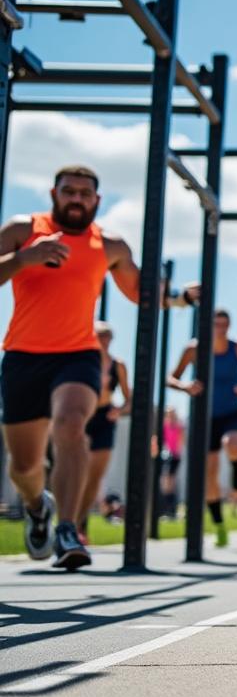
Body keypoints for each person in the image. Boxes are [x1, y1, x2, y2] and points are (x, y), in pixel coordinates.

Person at [0, 165, 195, 569]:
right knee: (24, 467)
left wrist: (180, 298)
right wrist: (25, 258)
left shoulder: (109, 245)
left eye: (84, 194)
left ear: (97, 201)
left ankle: (68, 528)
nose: (76, 199)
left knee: (72, 424)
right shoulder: (23, 229)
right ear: (54, 194)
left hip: (79, 354)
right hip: (23, 357)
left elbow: (142, 292)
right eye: (69, 192)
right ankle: (39, 506)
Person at [167, 309, 237, 547]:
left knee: (233, 442)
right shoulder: (193, 349)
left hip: (231, 412)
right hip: (205, 415)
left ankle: (236, 469)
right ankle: (219, 524)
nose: (220, 329)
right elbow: (171, 377)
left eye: (224, 325)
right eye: (216, 324)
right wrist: (185, 386)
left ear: (228, 326)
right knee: (209, 473)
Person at [74, 322, 131, 544]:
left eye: (107, 336)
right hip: (83, 416)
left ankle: (80, 526)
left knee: (94, 477)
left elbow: (129, 399)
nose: (103, 340)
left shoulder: (118, 365)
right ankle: (73, 524)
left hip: (105, 417)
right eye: (99, 335)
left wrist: (119, 410)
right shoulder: (82, 362)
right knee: (78, 472)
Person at [158, 406, 185, 519]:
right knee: (165, 482)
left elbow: (181, 441)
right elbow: (162, 440)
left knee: (171, 482)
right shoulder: (164, 426)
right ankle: (166, 509)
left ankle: (172, 509)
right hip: (167, 456)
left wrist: (175, 451)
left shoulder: (179, 426)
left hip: (175, 456)